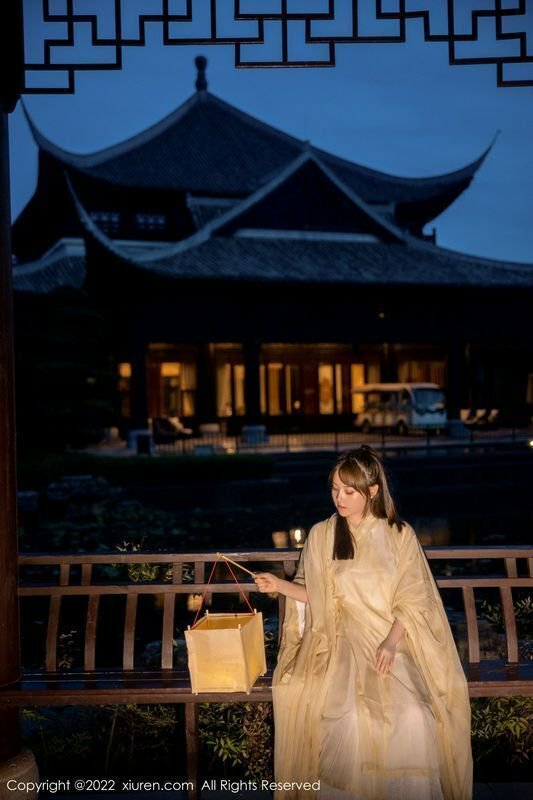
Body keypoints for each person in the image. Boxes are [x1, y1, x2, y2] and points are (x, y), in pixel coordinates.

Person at [255, 446, 472, 800]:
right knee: (351, 719)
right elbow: (317, 597)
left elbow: (413, 598)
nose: (339, 498)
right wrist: (278, 585)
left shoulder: (399, 535)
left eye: (348, 491)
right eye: (334, 489)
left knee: (415, 715)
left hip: (391, 640)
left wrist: (390, 642)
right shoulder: (323, 535)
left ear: (372, 491)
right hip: (339, 641)